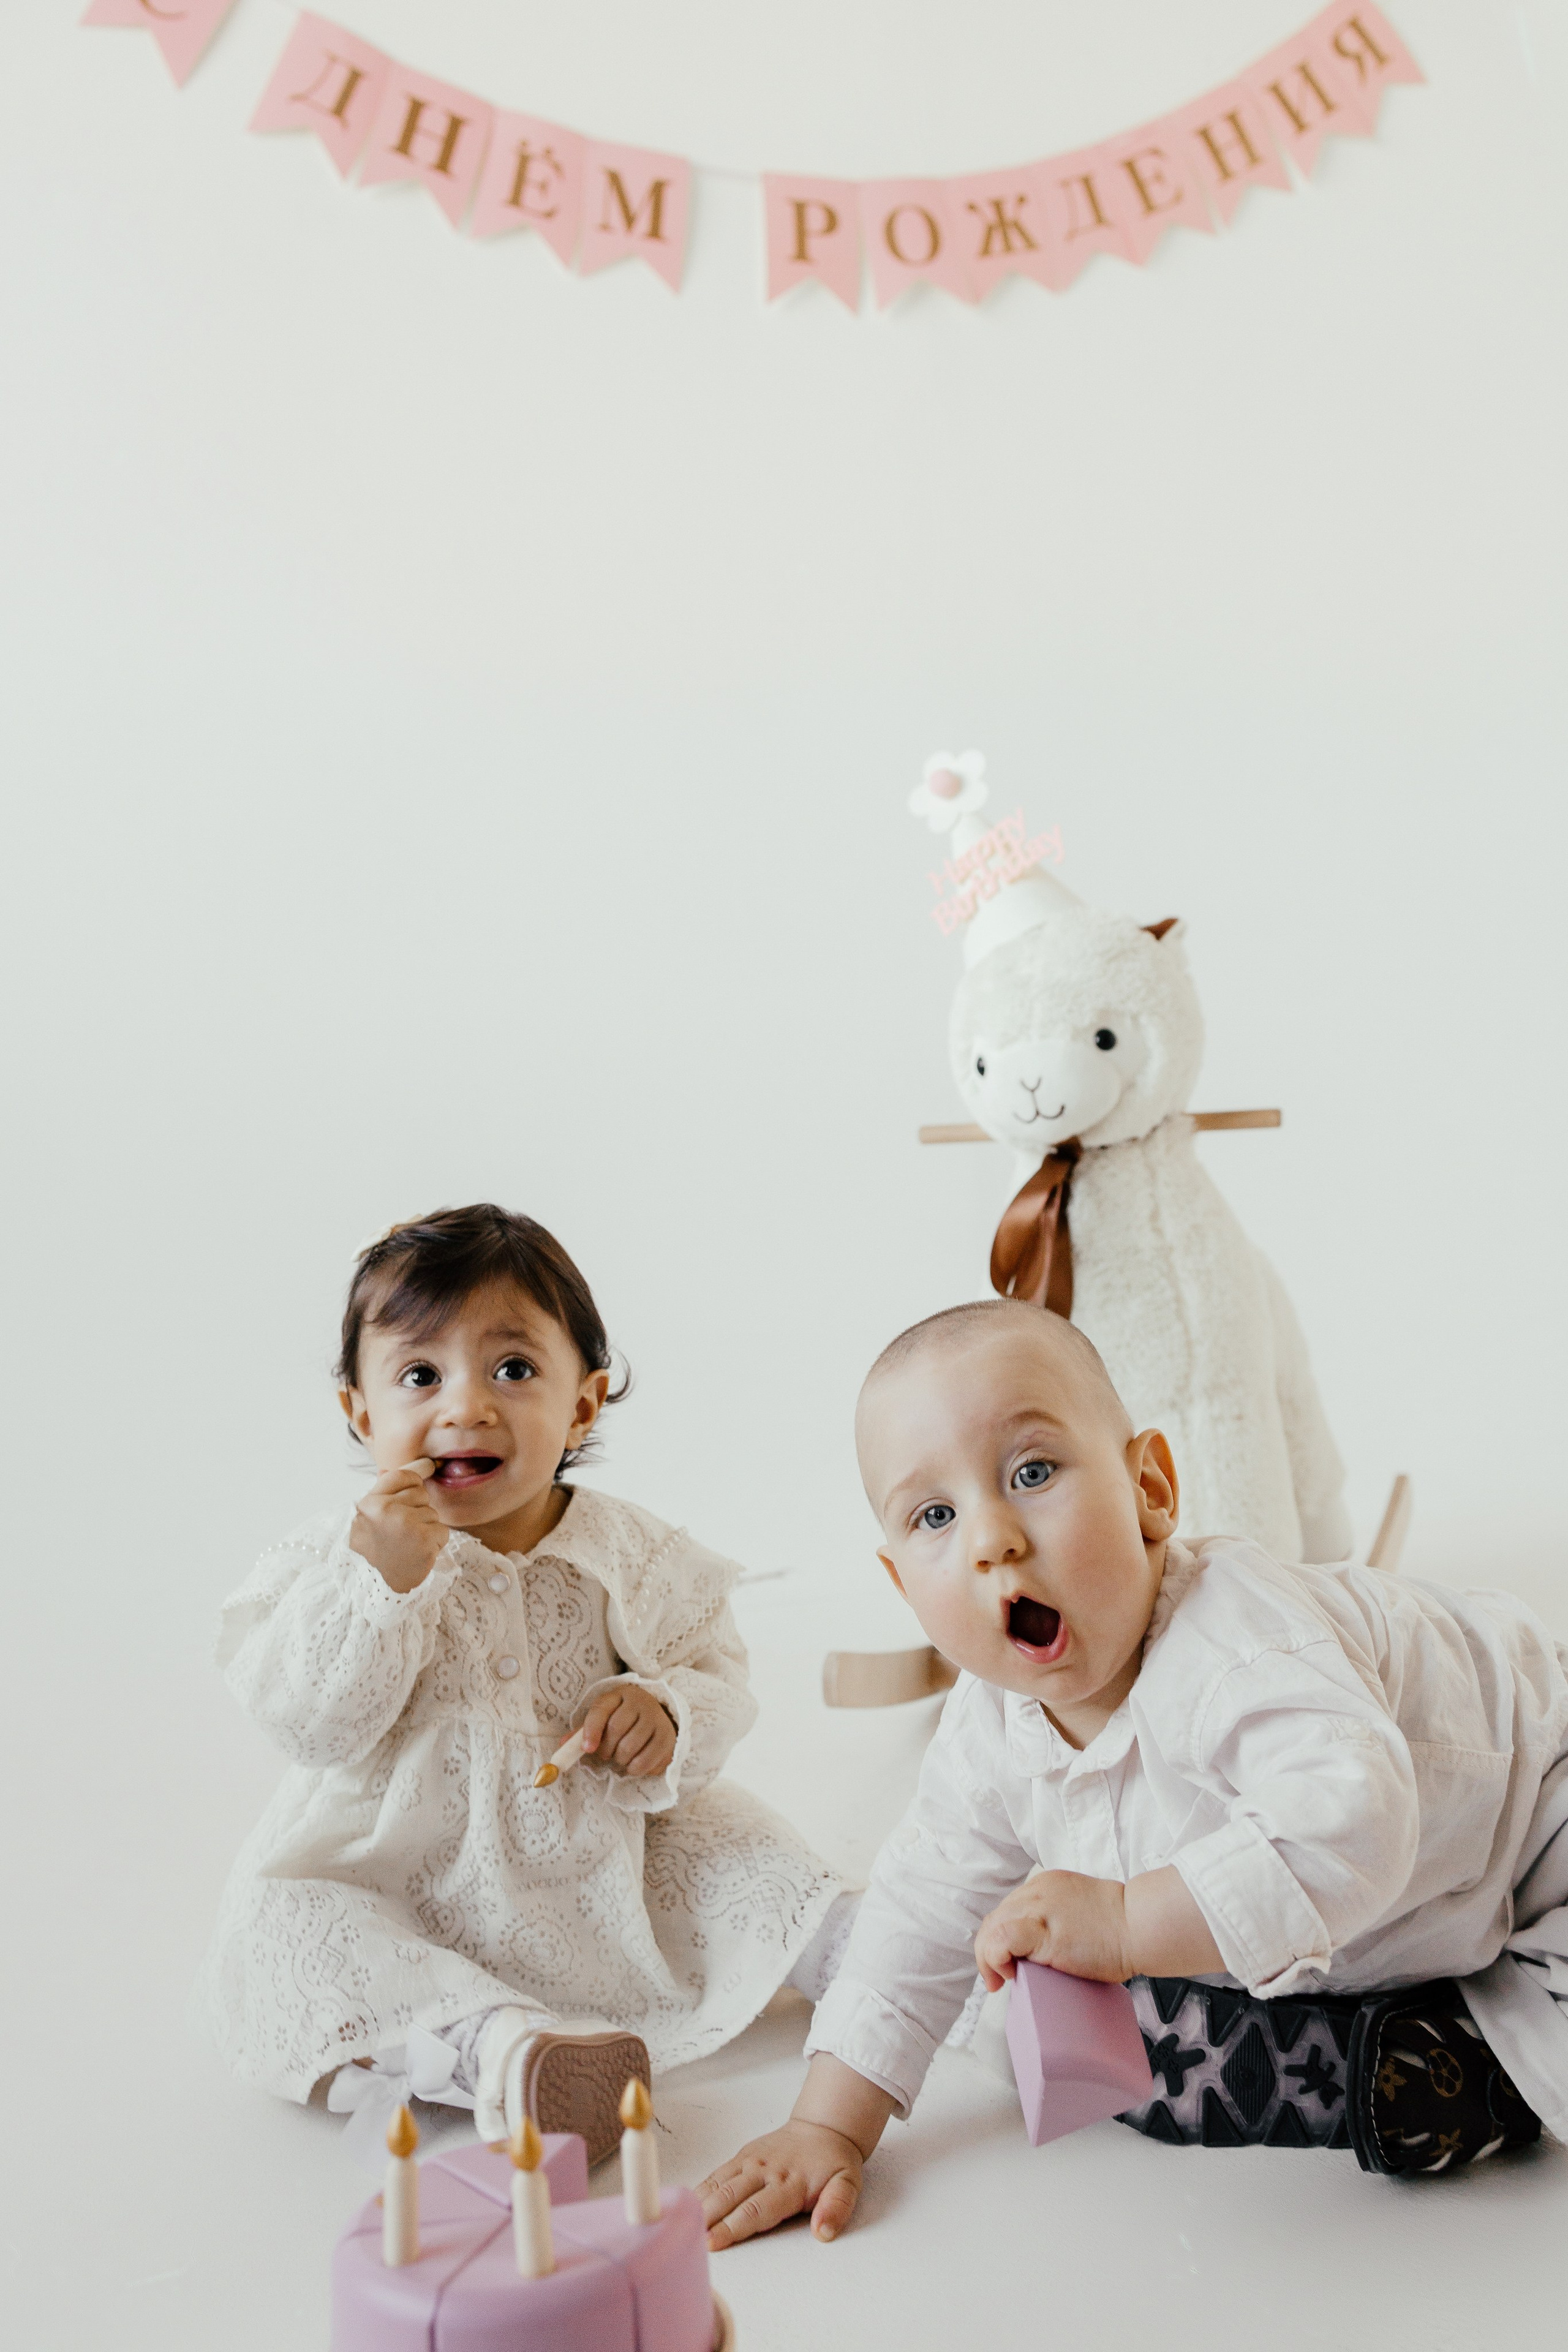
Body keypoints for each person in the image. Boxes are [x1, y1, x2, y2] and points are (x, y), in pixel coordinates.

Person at [699, 1298, 1565, 2247]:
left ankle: (1485, 2065)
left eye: (1032, 1472)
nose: (993, 1538)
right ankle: (1402, 2047)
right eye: (936, 1515)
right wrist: (828, 2125)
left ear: (1150, 1487)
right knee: (1127, 1994)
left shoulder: (1237, 1639)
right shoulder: (989, 1729)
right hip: (1412, 1915)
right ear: (905, 1586)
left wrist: (1122, 1921)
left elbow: (1357, 1820)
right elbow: (921, 1907)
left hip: (1535, 1819)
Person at [205, 1204, 846, 2165]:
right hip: (404, 1871)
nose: (467, 1408)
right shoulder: (333, 1562)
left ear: (582, 1405)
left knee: (741, 1846)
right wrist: (379, 1585)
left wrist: (664, 1711)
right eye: (421, 1375)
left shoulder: (632, 1551)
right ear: (361, 1411)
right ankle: (506, 2050)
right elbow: (311, 1724)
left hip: (601, 1854)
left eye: (513, 1370)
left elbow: (714, 1664)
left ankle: (875, 1952)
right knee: (285, 1926)